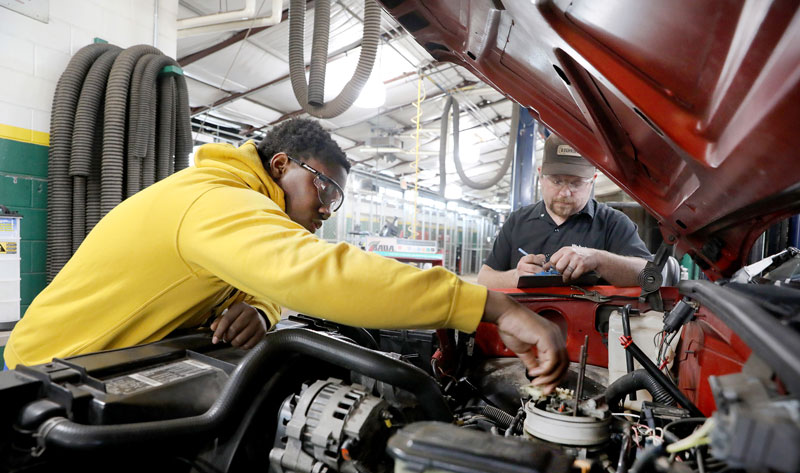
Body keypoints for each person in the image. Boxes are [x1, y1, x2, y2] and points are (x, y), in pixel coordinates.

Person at [5, 118, 568, 393]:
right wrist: (492, 306)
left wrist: (261, 307)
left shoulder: (242, 206)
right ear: (280, 167)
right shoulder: (213, 201)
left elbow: (274, 279)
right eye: (325, 190)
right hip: (47, 379)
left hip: (111, 369)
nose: (327, 209)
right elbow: (313, 273)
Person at [477, 134, 652, 288]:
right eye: (557, 181)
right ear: (541, 176)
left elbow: (649, 275)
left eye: (576, 183)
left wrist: (598, 259)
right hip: (525, 321)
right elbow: (485, 279)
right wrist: (515, 277)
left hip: (586, 323)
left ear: (592, 181)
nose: (565, 192)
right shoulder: (518, 221)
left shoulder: (613, 223)